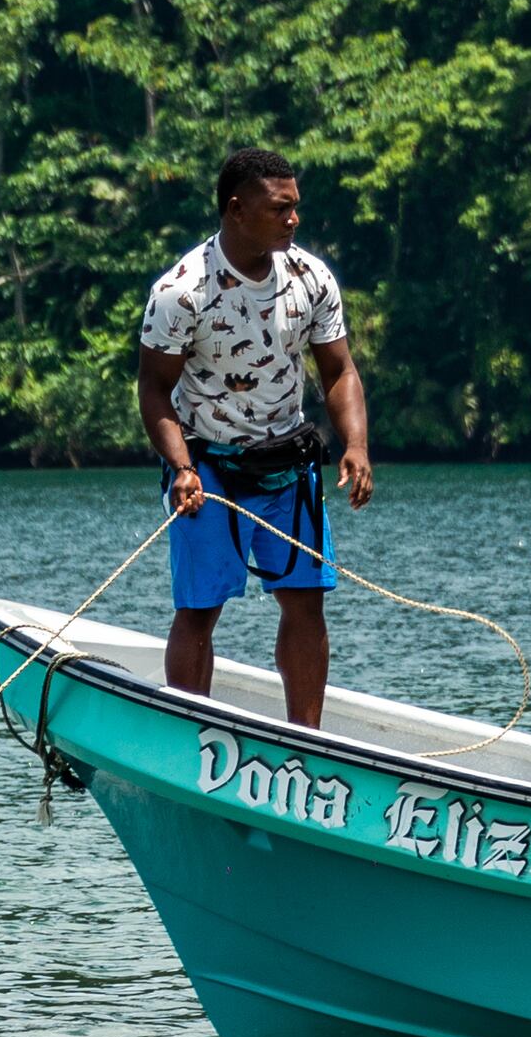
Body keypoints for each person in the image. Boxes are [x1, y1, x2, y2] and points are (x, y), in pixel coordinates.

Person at [139, 147, 373, 728]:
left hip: (287, 461)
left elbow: (339, 370)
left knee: (305, 602)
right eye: (280, 209)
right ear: (237, 210)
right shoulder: (183, 291)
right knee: (200, 606)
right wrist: (182, 469)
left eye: (296, 208)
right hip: (207, 464)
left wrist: (356, 445)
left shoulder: (310, 277)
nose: (293, 219)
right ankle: (189, 731)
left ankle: (308, 740)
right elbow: (154, 393)